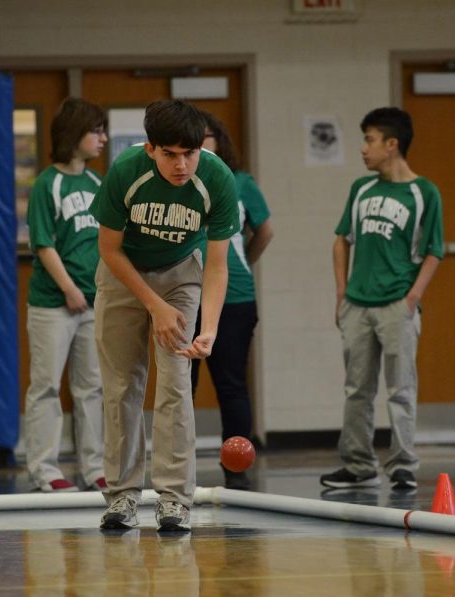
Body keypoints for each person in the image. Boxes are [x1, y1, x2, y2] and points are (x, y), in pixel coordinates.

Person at [89, 99, 239, 531]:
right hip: (124, 274)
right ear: (151, 149)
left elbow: (217, 264)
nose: (181, 165)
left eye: (189, 153)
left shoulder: (217, 179)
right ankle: (121, 497)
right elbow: (109, 250)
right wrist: (153, 306)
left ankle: (175, 500)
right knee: (122, 386)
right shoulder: (125, 172)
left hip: (180, 275)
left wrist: (208, 328)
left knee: (175, 382)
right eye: (170, 154)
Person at [321, 107, 444, 492]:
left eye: (370, 140)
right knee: (357, 388)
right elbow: (341, 239)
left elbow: (434, 250)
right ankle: (359, 464)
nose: (363, 149)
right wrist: (342, 292)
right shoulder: (361, 189)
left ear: (392, 145)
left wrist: (412, 298)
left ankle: (404, 464)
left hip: (396, 305)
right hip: (357, 303)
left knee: (401, 387)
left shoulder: (424, 193)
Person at [23, 97, 108, 493]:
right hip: (53, 304)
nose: (103, 138)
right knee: (45, 385)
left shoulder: (97, 183)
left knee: (91, 387)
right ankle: (45, 469)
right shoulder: (47, 183)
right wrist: (70, 289)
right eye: (96, 130)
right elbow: (43, 244)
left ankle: (95, 468)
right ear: (75, 135)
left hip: (94, 302)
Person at [191, 111, 273, 491]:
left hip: (234, 296)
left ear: (220, 140)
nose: (201, 143)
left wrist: (240, 263)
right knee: (181, 387)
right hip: (184, 295)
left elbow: (265, 231)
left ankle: (237, 469)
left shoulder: (240, 182)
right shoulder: (177, 182)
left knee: (231, 384)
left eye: (206, 136)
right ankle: (179, 470)